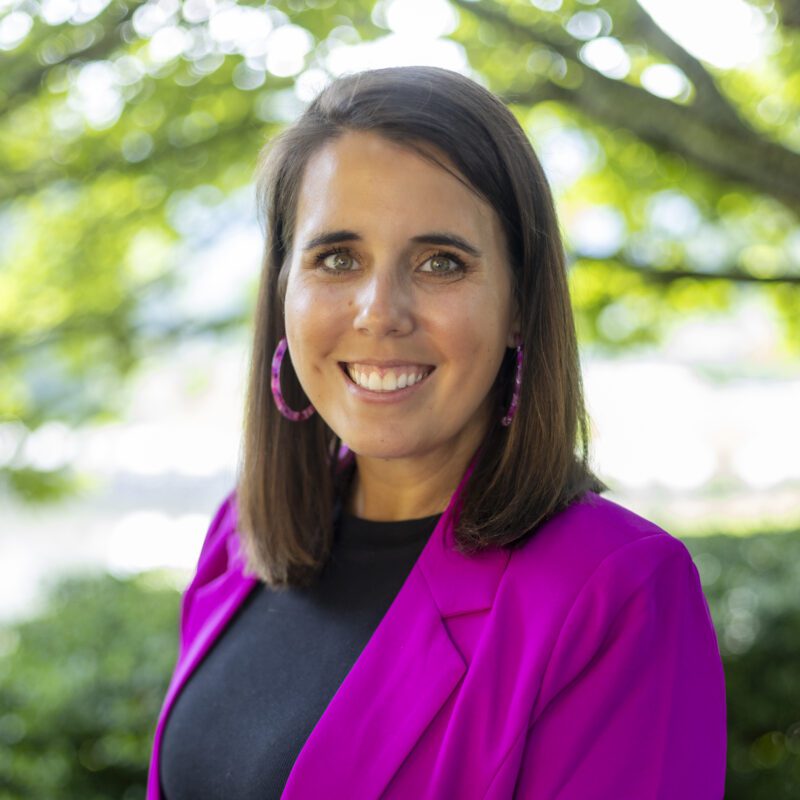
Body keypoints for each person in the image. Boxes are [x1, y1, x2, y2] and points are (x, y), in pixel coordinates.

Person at [146, 65, 727, 799]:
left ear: (520, 303)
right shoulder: (238, 537)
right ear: (283, 290)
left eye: (441, 262)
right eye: (337, 257)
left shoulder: (618, 591)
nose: (380, 311)